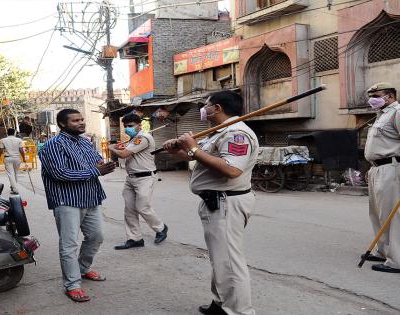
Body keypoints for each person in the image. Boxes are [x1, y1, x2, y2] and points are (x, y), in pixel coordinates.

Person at [163, 90, 258, 315]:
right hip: (215, 202)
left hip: (227, 203)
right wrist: (182, 151)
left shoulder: (237, 133)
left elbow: (232, 169)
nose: (203, 109)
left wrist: (193, 148)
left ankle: (240, 311)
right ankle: (221, 304)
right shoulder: (219, 131)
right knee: (220, 258)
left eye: (206, 105)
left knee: (230, 262)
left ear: (218, 108)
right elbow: (204, 158)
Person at [39, 108, 116, 302]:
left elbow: (95, 162)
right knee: (69, 245)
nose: (81, 123)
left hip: (91, 198)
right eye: (75, 121)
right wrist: (95, 171)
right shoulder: (52, 145)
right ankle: (72, 284)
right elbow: (60, 174)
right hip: (67, 201)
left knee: (97, 236)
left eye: (82, 119)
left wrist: (104, 165)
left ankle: (82, 269)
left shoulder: (84, 141)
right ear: (63, 124)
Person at [363, 82, 400, 274]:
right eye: (370, 94)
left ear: (389, 96)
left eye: (376, 94)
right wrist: (372, 167)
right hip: (378, 168)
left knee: (393, 215)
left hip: (393, 167)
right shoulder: (381, 115)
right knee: (378, 213)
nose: (371, 98)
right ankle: (384, 251)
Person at [108, 113, 168, 250]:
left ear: (139, 125)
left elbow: (124, 154)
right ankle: (134, 238)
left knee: (142, 207)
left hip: (145, 178)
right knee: (129, 210)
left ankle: (161, 228)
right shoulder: (133, 139)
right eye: (126, 126)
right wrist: (121, 148)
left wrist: (112, 148)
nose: (128, 128)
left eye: (131, 126)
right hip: (131, 178)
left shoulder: (143, 137)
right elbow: (128, 152)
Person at [0, 128, 26, 194]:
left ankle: (15, 189)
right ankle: (13, 187)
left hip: (8, 158)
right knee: (16, 173)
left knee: (11, 174)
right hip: (17, 158)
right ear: (14, 133)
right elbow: (21, 150)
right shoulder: (19, 140)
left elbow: (0, 150)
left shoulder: (3, 140)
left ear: (7, 133)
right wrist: (24, 158)